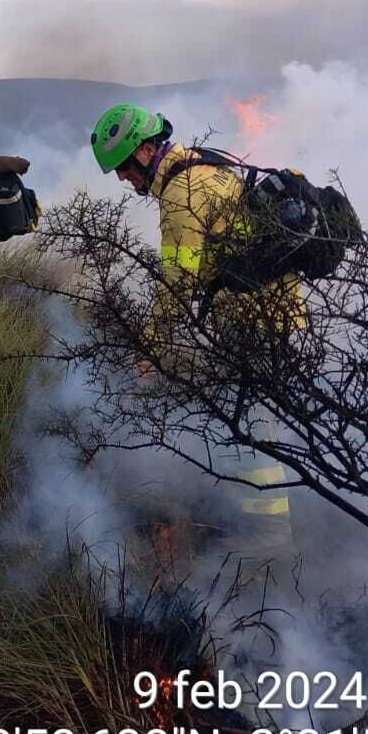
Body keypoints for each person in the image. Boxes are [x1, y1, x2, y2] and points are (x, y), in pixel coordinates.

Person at [89, 103, 303, 557]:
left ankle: (268, 536)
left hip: (253, 319)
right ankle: (244, 513)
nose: (125, 181)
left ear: (146, 151)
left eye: (125, 168)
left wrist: (149, 346)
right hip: (268, 311)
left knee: (255, 426)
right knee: (247, 418)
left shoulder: (182, 194)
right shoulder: (206, 164)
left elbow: (178, 282)